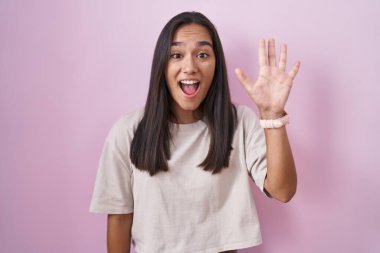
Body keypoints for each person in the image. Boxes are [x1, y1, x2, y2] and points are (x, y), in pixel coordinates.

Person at [89, 11, 300, 253]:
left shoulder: (240, 122)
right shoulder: (126, 132)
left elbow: (283, 190)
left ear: (216, 65)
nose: (190, 67)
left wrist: (272, 115)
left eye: (202, 55)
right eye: (176, 55)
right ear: (161, 65)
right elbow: (119, 221)